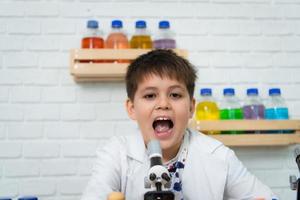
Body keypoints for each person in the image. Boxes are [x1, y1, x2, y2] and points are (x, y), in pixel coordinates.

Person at [81, 49, 276, 200]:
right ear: (132, 108)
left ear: (191, 107)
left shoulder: (219, 156)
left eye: (175, 95)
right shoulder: (115, 154)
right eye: (150, 96)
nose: (163, 104)